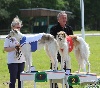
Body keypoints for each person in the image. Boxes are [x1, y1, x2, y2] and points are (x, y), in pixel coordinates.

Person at [50, 11, 73, 88]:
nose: (64, 19)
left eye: (65, 18)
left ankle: (68, 84)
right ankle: (54, 85)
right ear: (58, 19)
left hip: (65, 53)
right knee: (54, 68)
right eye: (63, 18)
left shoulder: (69, 28)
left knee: (67, 68)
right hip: (56, 53)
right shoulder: (53, 28)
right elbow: (52, 41)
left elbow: (71, 40)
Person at [4, 16, 26, 88]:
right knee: (13, 80)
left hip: (22, 60)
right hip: (12, 61)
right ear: (13, 27)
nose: (18, 29)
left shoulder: (22, 37)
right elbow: (5, 48)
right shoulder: (9, 37)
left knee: (21, 80)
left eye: (19, 27)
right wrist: (14, 48)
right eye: (17, 27)